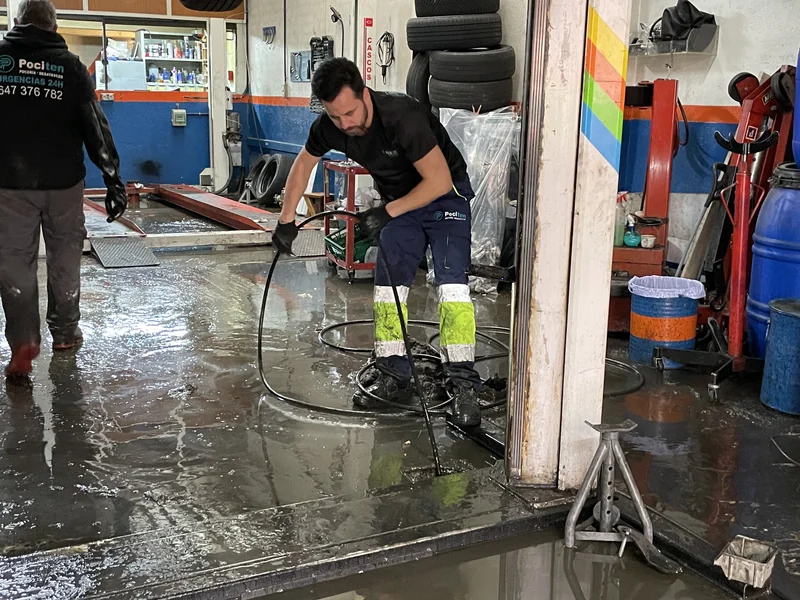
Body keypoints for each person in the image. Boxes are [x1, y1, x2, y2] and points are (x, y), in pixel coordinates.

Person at [272, 58, 485, 428]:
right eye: (336, 117)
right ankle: (394, 373)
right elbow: (304, 164)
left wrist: (388, 212)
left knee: (452, 286)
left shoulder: (403, 117)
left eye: (351, 113)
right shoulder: (332, 126)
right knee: (388, 284)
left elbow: (437, 181)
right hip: (401, 203)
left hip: (445, 196)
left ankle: (464, 383)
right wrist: (286, 220)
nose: (346, 124)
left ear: (364, 92)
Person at [0, 0, 127, 377]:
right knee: (65, 259)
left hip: (9, 185)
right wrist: (113, 179)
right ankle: (66, 333)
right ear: (54, 27)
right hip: (63, 185)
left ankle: (24, 341)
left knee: (14, 264)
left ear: (20, 22)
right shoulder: (71, 67)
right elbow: (96, 128)